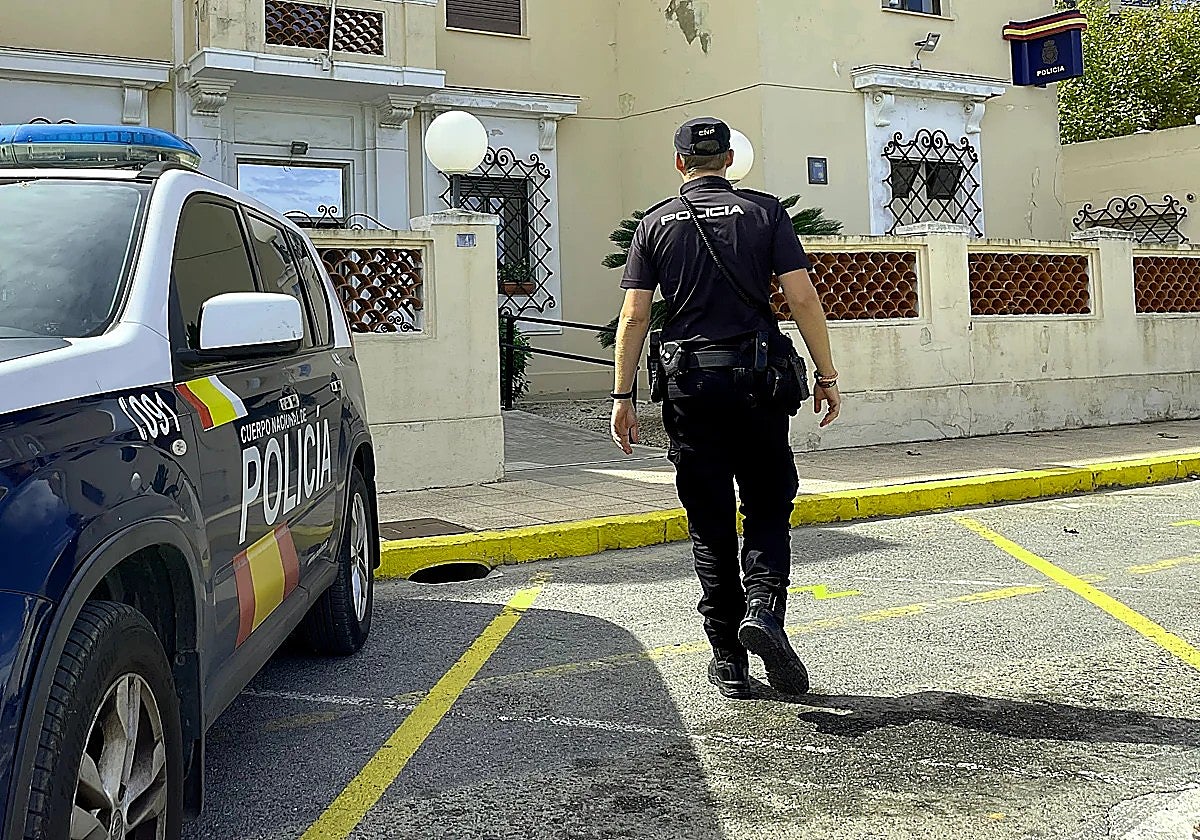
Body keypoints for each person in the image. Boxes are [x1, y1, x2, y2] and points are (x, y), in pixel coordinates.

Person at [608, 117, 841, 700]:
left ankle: (727, 662)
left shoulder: (654, 224)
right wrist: (826, 374)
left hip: (690, 390)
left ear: (681, 163)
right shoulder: (765, 214)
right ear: (730, 159)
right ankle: (764, 611)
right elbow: (803, 296)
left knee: (709, 523)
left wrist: (622, 396)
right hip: (758, 386)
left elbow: (636, 316)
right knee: (767, 504)